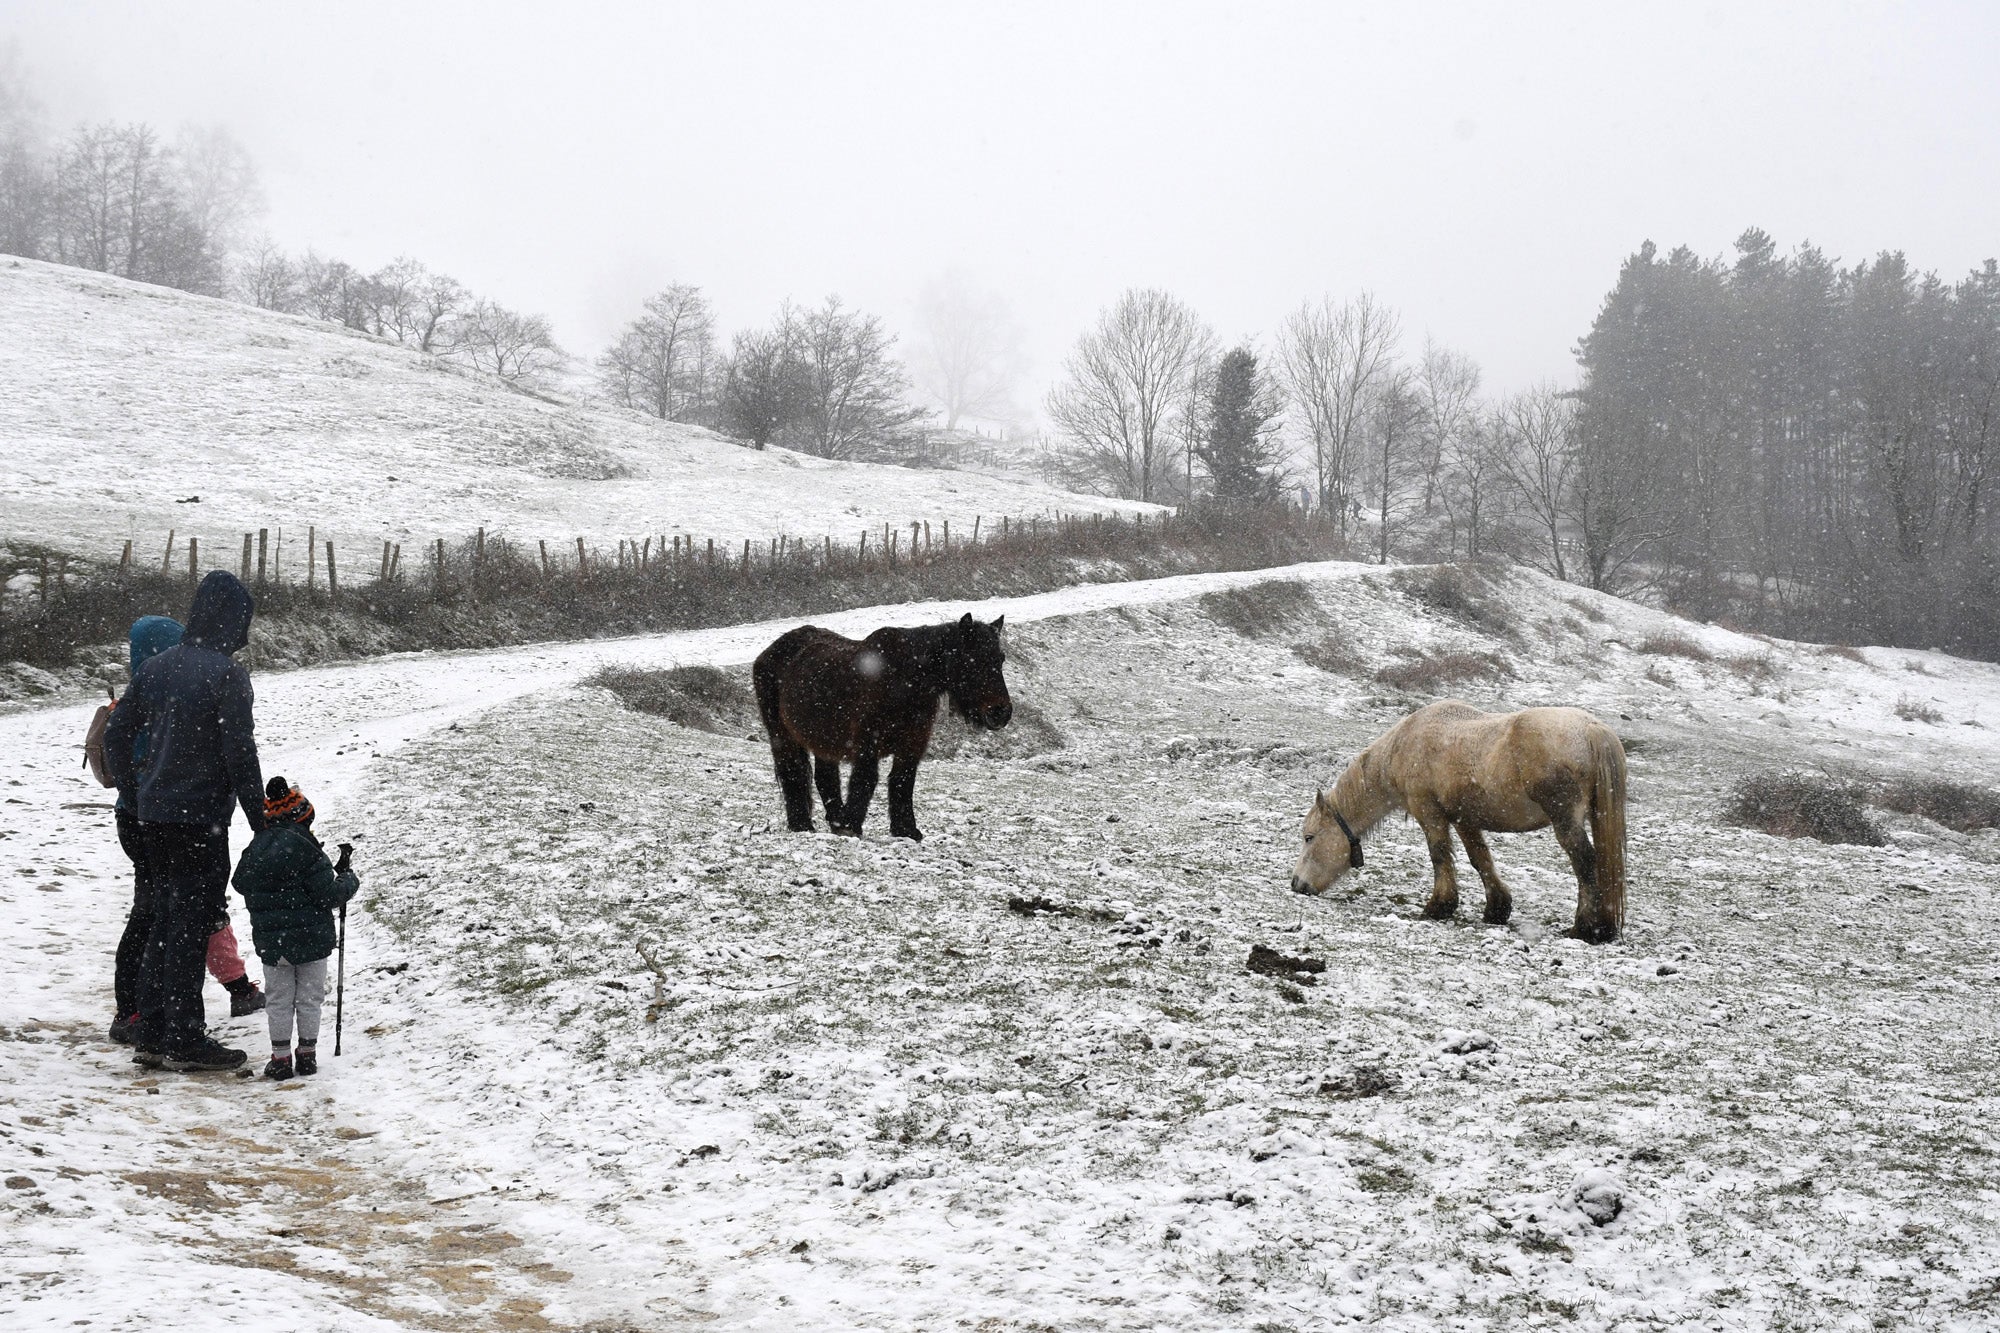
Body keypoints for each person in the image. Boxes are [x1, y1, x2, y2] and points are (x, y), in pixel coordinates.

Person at [104, 571, 266, 1072]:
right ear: (230, 621)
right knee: (190, 927)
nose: (244, 635)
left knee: (163, 918)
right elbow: (240, 753)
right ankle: (184, 1038)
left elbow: (116, 735)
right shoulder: (226, 675)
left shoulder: (155, 668)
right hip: (200, 822)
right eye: (243, 622)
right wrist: (262, 821)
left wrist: (139, 791)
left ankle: (152, 1033)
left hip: (153, 818)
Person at [233, 777, 359, 1079]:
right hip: (313, 942)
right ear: (304, 818)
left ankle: (280, 1058)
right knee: (309, 997)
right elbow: (330, 895)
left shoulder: (256, 850)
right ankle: (307, 1055)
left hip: (274, 945)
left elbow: (240, 882)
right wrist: (348, 879)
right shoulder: (308, 850)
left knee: (278, 999)